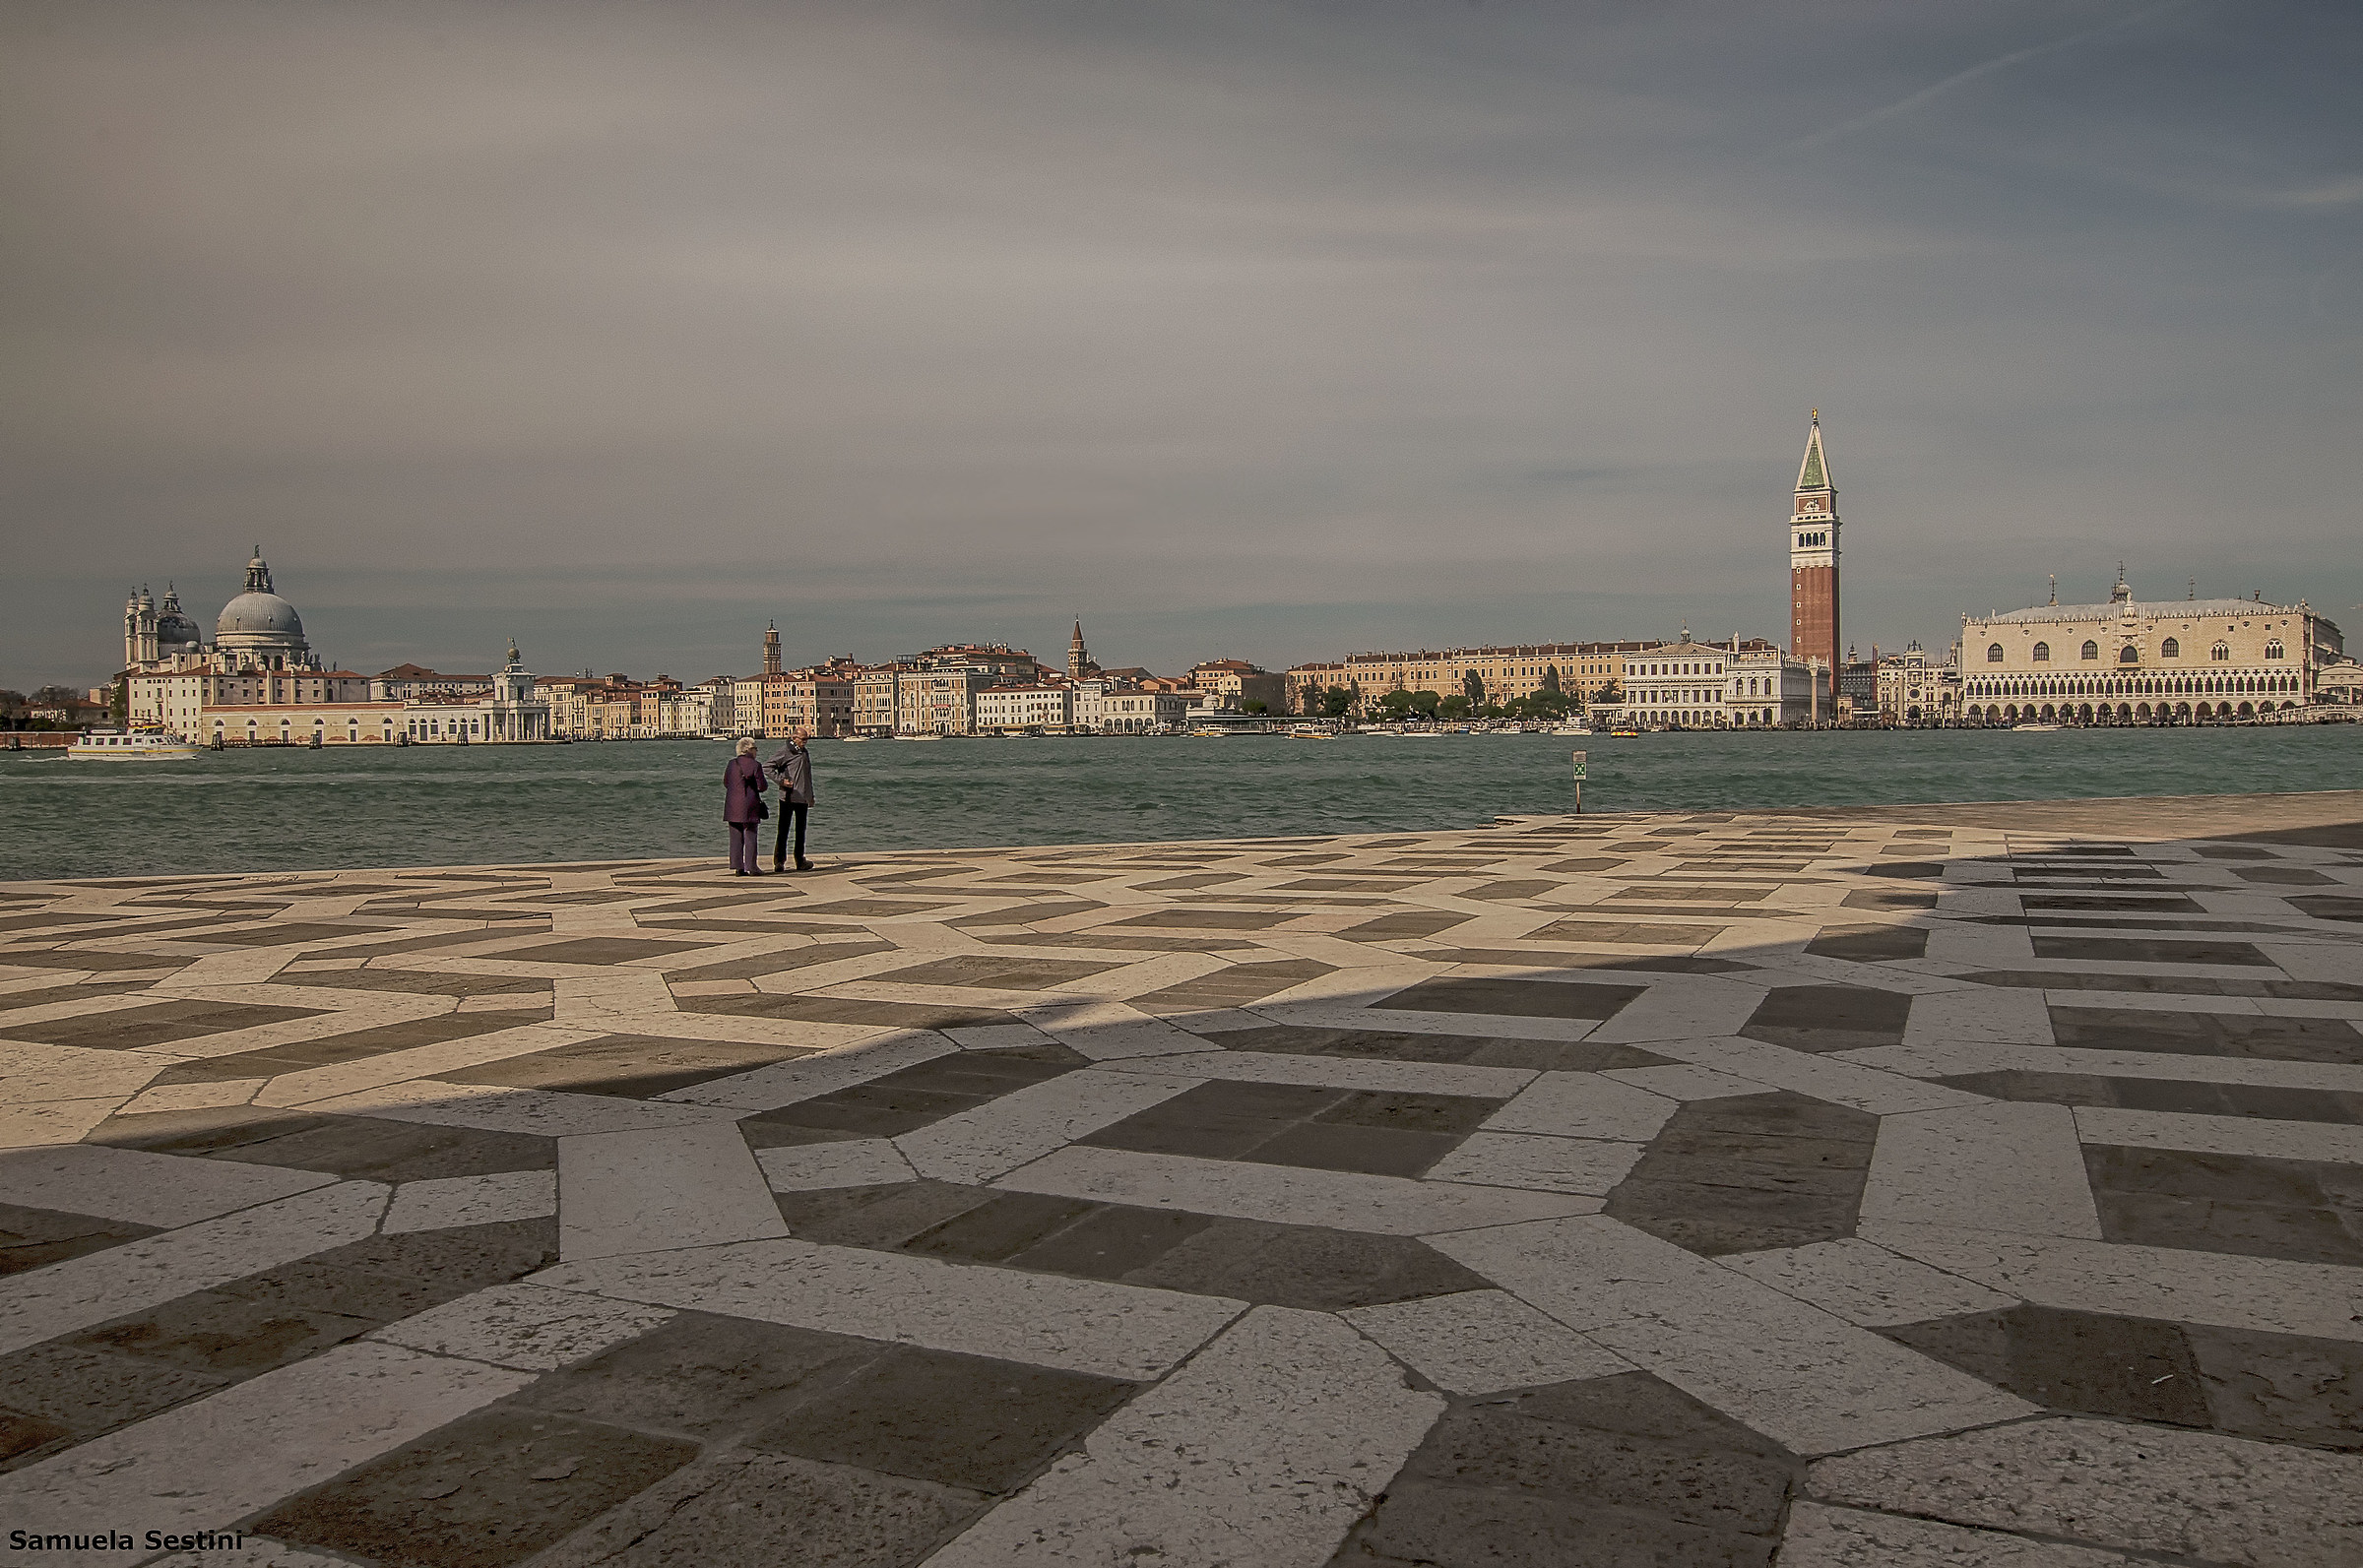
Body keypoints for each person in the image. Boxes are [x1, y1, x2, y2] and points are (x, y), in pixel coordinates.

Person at [766, 729, 814, 871]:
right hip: (787, 797)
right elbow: (767, 767)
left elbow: (808, 775)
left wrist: (810, 796)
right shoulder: (785, 751)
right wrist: (781, 781)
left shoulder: (804, 753)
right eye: (803, 739)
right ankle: (779, 861)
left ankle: (800, 860)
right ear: (794, 738)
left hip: (802, 798)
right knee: (783, 830)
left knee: (801, 830)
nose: (805, 742)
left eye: (806, 740)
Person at [723, 737, 768, 875]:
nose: (756, 751)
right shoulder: (755, 765)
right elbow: (762, 786)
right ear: (749, 750)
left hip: (732, 805)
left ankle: (738, 867)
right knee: (750, 835)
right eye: (755, 749)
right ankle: (752, 866)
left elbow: (726, 782)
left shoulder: (732, 764)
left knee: (735, 837)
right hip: (750, 804)